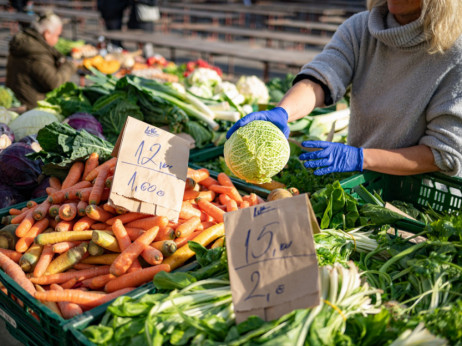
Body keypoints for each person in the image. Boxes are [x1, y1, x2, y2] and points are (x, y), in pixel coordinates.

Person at [227, 0, 462, 178]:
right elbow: (323, 77)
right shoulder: (361, 28)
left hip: (420, 203)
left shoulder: (455, 54)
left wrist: (361, 157)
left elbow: (443, 152)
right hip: (360, 183)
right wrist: (283, 112)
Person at [6, 12, 76, 109]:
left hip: (18, 98)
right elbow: (55, 82)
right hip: (31, 105)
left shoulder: (27, 41)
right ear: (47, 34)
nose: (58, 39)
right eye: (57, 35)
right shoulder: (37, 54)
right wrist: (70, 65)